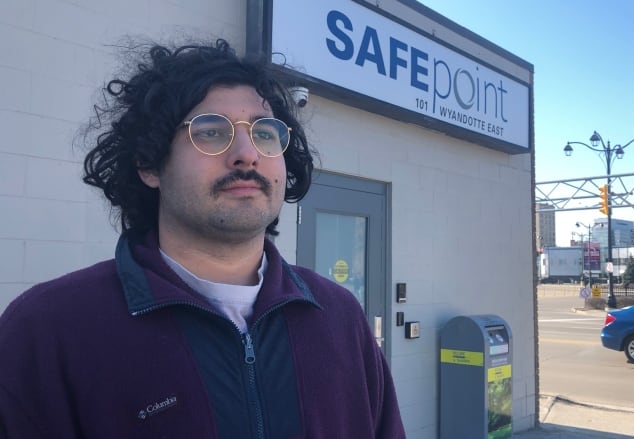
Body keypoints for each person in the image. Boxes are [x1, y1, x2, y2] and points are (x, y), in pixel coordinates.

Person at [0, 39, 406, 438]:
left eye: (265, 133)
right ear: (149, 164)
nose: (247, 153)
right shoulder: (49, 329)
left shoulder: (338, 316)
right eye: (210, 131)